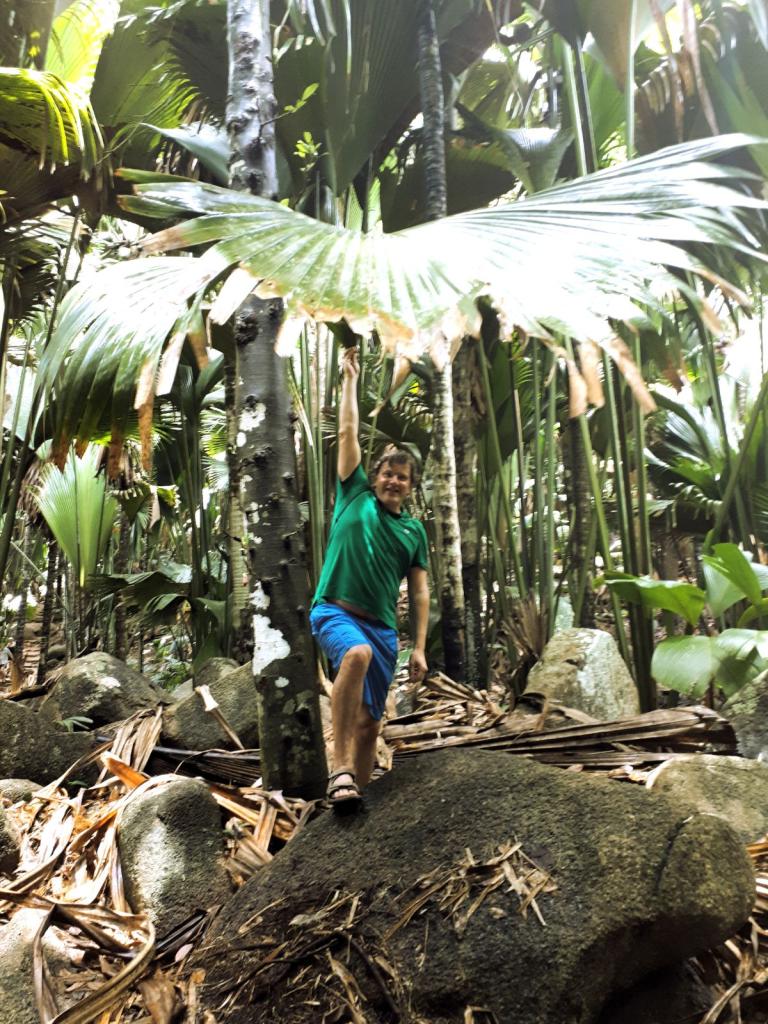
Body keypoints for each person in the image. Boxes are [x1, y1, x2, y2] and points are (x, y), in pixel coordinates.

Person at [309, 345, 430, 812]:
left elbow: (418, 591)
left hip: (383, 630)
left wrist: (418, 645)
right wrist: (349, 379)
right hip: (335, 610)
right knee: (353, 656)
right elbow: (347, 430)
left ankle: (352, 798)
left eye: (402, 477)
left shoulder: (413, 530)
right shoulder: (352, 494)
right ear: (372, 475)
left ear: (410, 486)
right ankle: (337, 768)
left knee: (370, 727)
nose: (392, 481)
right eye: (386, 473)